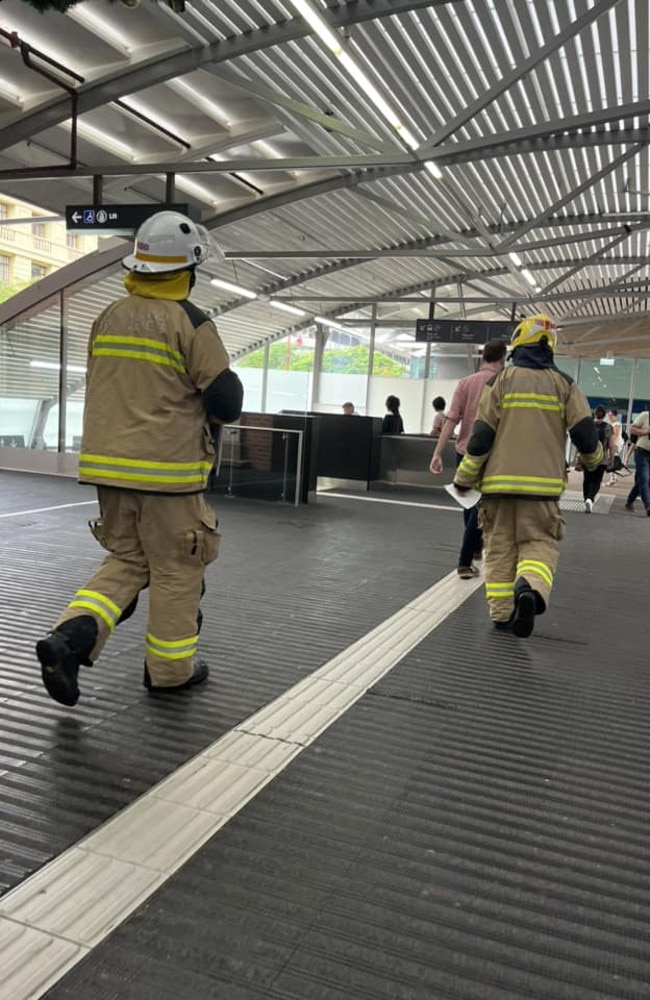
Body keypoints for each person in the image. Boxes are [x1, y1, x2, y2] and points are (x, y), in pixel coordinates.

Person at [35, 210, 244, 706]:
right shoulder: (190, 322)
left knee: (128, 559)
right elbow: (226, 403)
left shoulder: (107, 315)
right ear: (187, 271)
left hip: (109, 470)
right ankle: (169, 673)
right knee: (177, 568)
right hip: (168, 474)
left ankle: (66, 642)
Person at [453, 314, 601, 638]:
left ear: (519, 340)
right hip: (543, 494)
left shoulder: (500, 382)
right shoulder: (565, 384)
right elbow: (586, 435)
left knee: (499, 550)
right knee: (539, 546)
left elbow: (480, 438)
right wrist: (595, 461)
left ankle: (502, 614)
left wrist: (464, 478)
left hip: (498, 490)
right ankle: (530, 590)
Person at [430, 339, 507, 579]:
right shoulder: (503, 384)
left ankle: (474, 549)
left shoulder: (465, 383)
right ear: (503, 359)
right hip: (490, 454)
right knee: (479, 504)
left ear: (483, 357)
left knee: (469, 501)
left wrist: (437, 453)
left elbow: (451, 420)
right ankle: (465, 560)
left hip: (463, 451)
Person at [580, 406, 615, 512]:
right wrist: (611, 459)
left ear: (595, 414)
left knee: (587, 479)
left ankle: (586, 499)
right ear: (604, 416)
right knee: (596, 480)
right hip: (601, 458)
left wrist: (578, 458)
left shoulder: (587, 426)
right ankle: (590, 499)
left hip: (587, 457)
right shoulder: (608, 427)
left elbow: (581, 442)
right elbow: (611, 445)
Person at [624, 405, 650, 515]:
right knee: (644, 478)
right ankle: (648, 506)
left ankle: (629, 501)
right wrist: (645, 432)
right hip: (642, 451)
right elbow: (632, 429)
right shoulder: (645, 415)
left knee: (642, 481)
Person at [605, 409, 624, 485]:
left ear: (615, 416)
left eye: (611, 415)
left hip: (615, 444)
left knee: (611, 459)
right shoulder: (613, 424)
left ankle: (612, 478)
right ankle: (614, 477)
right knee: (612, 459)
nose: (610, 417)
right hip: (614, 444)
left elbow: (615, 435)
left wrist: (612, 444)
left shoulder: (616, 424)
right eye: (609, 415)